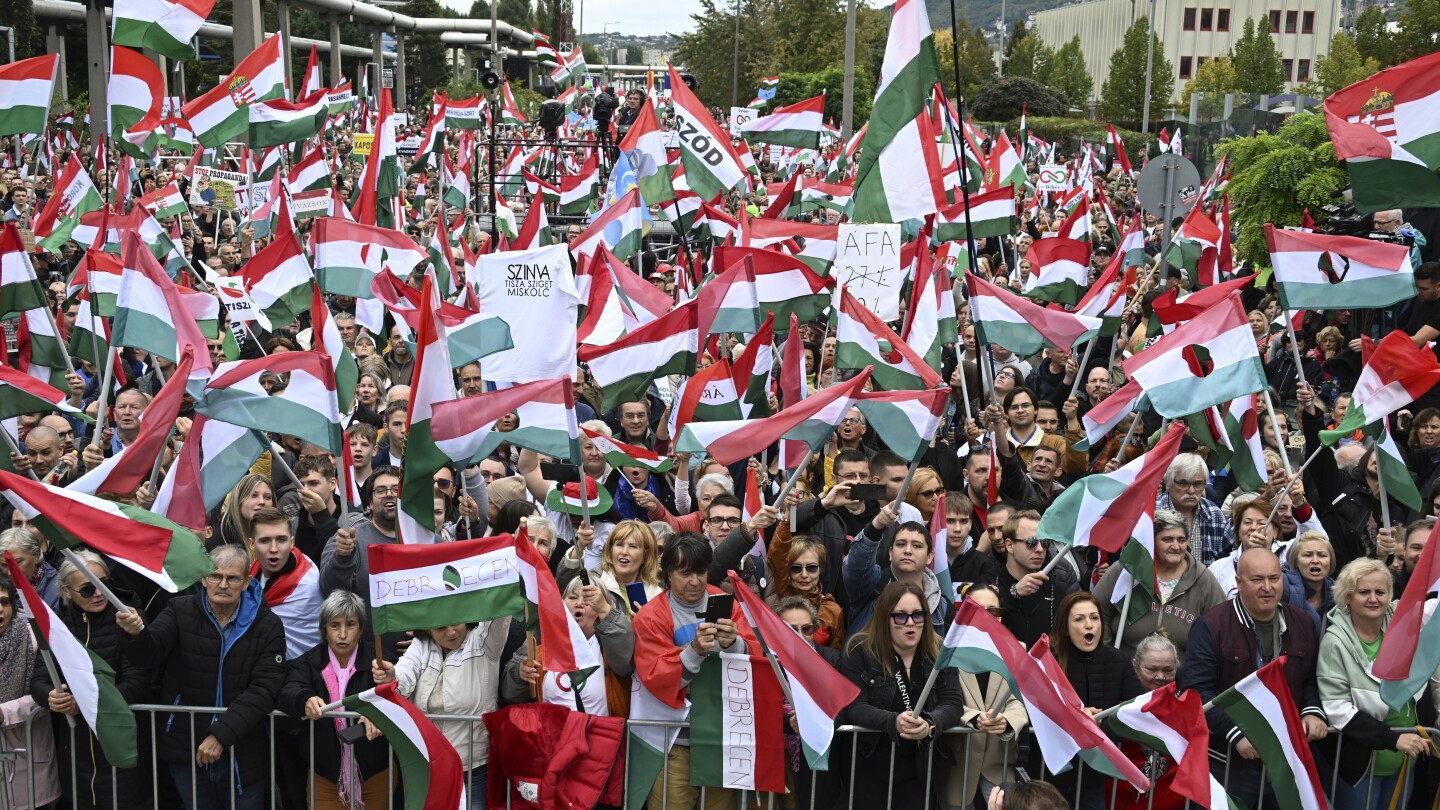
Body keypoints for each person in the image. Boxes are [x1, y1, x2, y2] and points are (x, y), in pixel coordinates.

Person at [122, 545, 287, 810]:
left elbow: (265, 689)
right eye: (215, 576)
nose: (223, 584)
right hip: (186, 749)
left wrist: (221, 735)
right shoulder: (178, 610)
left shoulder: (268, 625)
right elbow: (149, 655)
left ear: (246, 582)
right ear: (203, 577)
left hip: (243, 753)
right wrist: (135, 635)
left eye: (232, 578)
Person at [1180, 548, 1328, 808]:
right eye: (1257, 579)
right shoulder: (1211, 626)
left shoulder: (1303, 622)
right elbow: (1196, 693)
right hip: (1228, 764)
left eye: (1274, 578)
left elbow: (1310, 679)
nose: (1268, 587)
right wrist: (1235, 734)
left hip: (1286, 760)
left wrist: (1313, 711)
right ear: (1239, 583)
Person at [631, 533, 761, 810]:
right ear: (668, 573)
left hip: (719, 740)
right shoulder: (650, 616)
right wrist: (694, 651)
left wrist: (735, 643)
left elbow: (756, 658)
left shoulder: (727, 602)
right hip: (674, 743)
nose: (695, 581)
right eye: (685, 573)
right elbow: (654, 677)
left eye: (701, 572)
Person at [32, 551, 151, 810]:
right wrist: (51, 697)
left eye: (103, 585)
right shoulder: (58, 624)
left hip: (121, 741)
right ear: (66, 591)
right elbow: (40, 678)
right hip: (75, 749)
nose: (98, 594)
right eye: (87, 589)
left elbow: (138, 682)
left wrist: (85, 705)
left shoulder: (128, 618)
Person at [372, 611, 523, 809]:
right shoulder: (421, 646)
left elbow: (499, 613)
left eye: (456, 623)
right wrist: (391, 677)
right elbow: (404, 676)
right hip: (430, 767)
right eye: (441, 628)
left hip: (472, 768)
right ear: (428, 629)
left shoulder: (483, 643)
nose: (451, 632)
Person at [1318, 558, 1434, 810]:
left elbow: (1433, 609)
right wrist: (1393, 740)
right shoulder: (1334, 642)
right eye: (1364, 592)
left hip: (1406, 760)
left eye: (1380, 592)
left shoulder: (1403, 619)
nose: (1373, 598)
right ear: (1348, 597)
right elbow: (1337, 708)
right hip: (1359, 767)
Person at [842, 580, 966, 809]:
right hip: (872, 767)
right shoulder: (859, 650)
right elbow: (855, 706)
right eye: (900, 616)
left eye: (918, 615)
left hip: (920, 769)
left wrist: (930, 723)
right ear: (884, 618)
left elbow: (953, 703)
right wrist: (893, 721)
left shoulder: (940, 653)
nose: (910, 623)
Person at [277, 590, 392, 810]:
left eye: (350, 625)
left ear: (361, 628)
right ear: (324, 629)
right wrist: (304, 699)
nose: (342, 634)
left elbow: (398, 693)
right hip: (325, 775)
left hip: (375, 772)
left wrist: (377, 713)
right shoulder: (309, 662)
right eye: (334, 625)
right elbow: (287, 689)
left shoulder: (379, 661)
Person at [1048, 592, 1142, 810]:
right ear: (1065, 627)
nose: (1089, 625)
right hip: (1051, 774)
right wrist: (1076, 719)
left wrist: (1099, 730)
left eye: (1094, 617)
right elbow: (1036, 710)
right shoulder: (1049, 660)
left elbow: (1135, 711)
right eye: (1079, 619)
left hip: (1094, 776)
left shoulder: (1118, 660)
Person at [1094, 509, 1225, 659]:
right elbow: (1097, 611)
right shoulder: (1128, 570)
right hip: (1124, 673)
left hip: (1180, 677)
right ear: (1152, 541)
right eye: (1167, 539)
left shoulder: (1203, 579)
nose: (1176, 546)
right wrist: (1106, 657)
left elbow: (1220, 629)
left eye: (1181, 540)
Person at [944, 585, 1028, 810]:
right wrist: (972, 718)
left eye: (993, 611)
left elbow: (1019, 701)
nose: (986, 617)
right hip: (957, 768)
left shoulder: (1017, 650)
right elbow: (944, 701)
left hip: (999, 766)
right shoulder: (946, 651)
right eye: (977, 610)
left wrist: (1007, 721)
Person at [502, 577, 635, 714]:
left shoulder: (611, 642)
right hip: (553, 733)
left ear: (601, 607)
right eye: (572, 597)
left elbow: (625, 664)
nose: (579, 603)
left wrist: (607, 613)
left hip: (600, 733)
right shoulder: (542, 638)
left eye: (589, 599)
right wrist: (520, 674)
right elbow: (511, 695)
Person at [0, 570, 61, 810]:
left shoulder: (34, 638)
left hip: (29, 761)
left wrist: (5, 712)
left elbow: (48, 694)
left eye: (4, 602)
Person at [845, 511, 952, 632]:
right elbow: (856, 564)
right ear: (890, 553)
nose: (907, 551)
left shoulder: (942, 607)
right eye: (901, 544)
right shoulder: (872, 584)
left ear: (930, 557)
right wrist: (877, 524)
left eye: (916, 546)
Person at [246, 506, 323, 659]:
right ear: (251, 544)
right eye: (265, 541)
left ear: (292, 542)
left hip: (304, 675)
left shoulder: (309, 584)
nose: (273, 549)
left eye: (281, 540)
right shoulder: (247, 578)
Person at [996, 510, 1078, 647]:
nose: (1040, 549)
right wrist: (1014, 594)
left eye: (1044, 542)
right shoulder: (989, 581)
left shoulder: (1058, 585)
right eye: (1031, 542)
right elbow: (986, 625)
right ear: (1010, 545)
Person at [766, 518, 845, 648]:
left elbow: (835, 655)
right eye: (796, 568)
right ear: (788, 571)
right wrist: (786, 520)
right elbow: (777, 555)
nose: (804, 575)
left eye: (811, 567)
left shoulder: (833, 611)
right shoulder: (782, 592)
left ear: (820, 569)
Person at [1156, 454, 1229, 567]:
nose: (1191, 490)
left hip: (1205, 584)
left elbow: (1230, 559)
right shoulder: (1151, 513)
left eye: (1198, 484)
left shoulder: (1214, 514)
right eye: (1183, 483)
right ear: (1168, 482)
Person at [1282, 532, 1337, 633]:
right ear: (1295, 561)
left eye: (1322, 555)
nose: (1315, 560)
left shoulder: (1339, 596)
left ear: (1331, 561)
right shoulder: (1282, 587)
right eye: (1308, 555)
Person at [0, 527, 59, 610]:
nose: (10, 572)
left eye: (17, 563)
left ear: (36, 555)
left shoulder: (58, 592)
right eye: (3, 565)